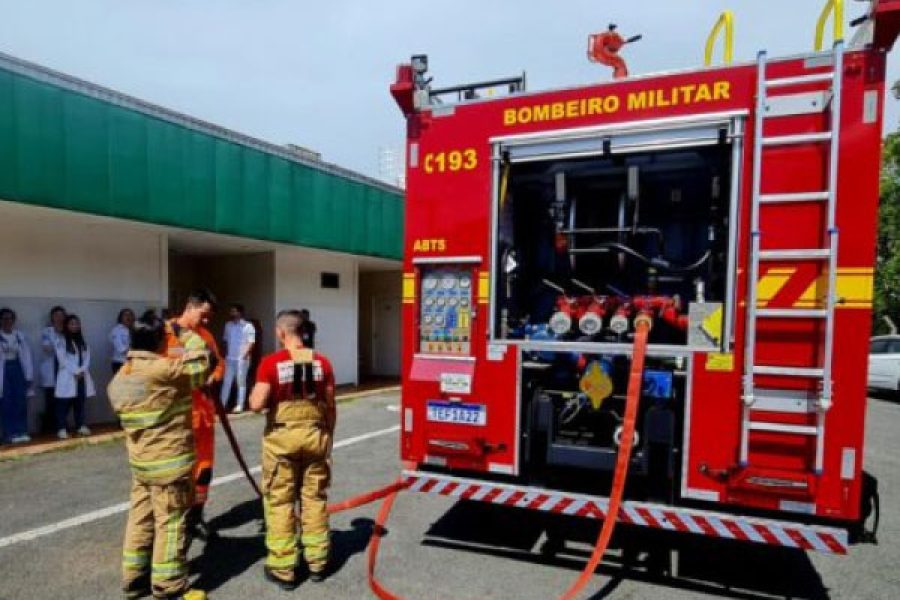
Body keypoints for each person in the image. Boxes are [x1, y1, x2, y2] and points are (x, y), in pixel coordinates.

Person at [109, 311, 208, 600]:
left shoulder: (121, 377)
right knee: (171, 522)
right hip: (169, 466)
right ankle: (169, 586)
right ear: (158, 339)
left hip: (141, 465)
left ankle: (134, 578)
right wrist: (183, 332)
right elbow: (202, 363)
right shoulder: (165, 371)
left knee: (140, 518)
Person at [249, 309, 336, 589]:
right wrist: (327, 438)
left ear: (280, 332)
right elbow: (330, 405)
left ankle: (284, 569)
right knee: (314, 499)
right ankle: (318, 562)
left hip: (282, 442)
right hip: (315, 437)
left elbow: (256, 404)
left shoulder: (270, 363)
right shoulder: (323, 362)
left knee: (281, 502)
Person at [164, 289, 224, 536]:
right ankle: (172, 520)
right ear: (190, 306)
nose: (207, 320)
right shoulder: (166, 333)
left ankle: (196, 516)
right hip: (175, 416)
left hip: (203, 414)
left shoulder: (206, 335)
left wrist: (213, 376)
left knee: (205, 470)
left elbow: (219, 363)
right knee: (177, 471)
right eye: (204, 314)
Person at [55, 314, 96, 439]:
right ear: (66, 326)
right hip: (68, 375)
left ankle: (81, 426)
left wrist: (82, 370)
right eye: (72, 323)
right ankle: (61, 428)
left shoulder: (82, 342)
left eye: (76, 323)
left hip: (81, 376)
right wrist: (76, 371)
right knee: (64, 404)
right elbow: (63, 360)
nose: (75, 326)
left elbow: (87, 358)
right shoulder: (60, 341)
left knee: (80, 402)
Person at [0, 308, 34, 444]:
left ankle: (22, 431)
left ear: (13, 320)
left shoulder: (19, 335)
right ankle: (9, 433)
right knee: (6, 403)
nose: (7, 321)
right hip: (3, 371)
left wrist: (29, 375)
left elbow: (26, 356)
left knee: (20, 401)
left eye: (9, 318)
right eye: (4, 318)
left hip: (18, 369)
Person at [220, 303, 256, 413]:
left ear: (240, 313)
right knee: (227, 381)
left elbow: (251, 342)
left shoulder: (248, 326)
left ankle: (239, 405)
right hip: (230, 358)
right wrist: (225, 355)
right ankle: (222, 404)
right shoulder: (228, 325)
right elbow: (225, 340)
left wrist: (244, 355)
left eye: (234, 311)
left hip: (242, 359)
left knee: (241, 382)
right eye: (231, 311)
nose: (232, 313)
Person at [39, 306, 66, 434]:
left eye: (61, 315)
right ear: (52, 317)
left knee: (64, 399)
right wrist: (59, 347)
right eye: (56, 315)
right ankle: (49, 427)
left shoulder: (68, 331)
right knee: (51, 399)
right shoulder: (47, 331)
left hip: (64, 369)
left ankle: (61, 424)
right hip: (51, 367)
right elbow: (47, 348)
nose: (59, 318)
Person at [110, 308, 136, 374]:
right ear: (120, 317)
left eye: (130, 315)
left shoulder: (132, 330)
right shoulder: (117, 330)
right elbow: (120, 348)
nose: (128, 317)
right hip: (120, 363)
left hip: (131, 362)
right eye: (126, 315)